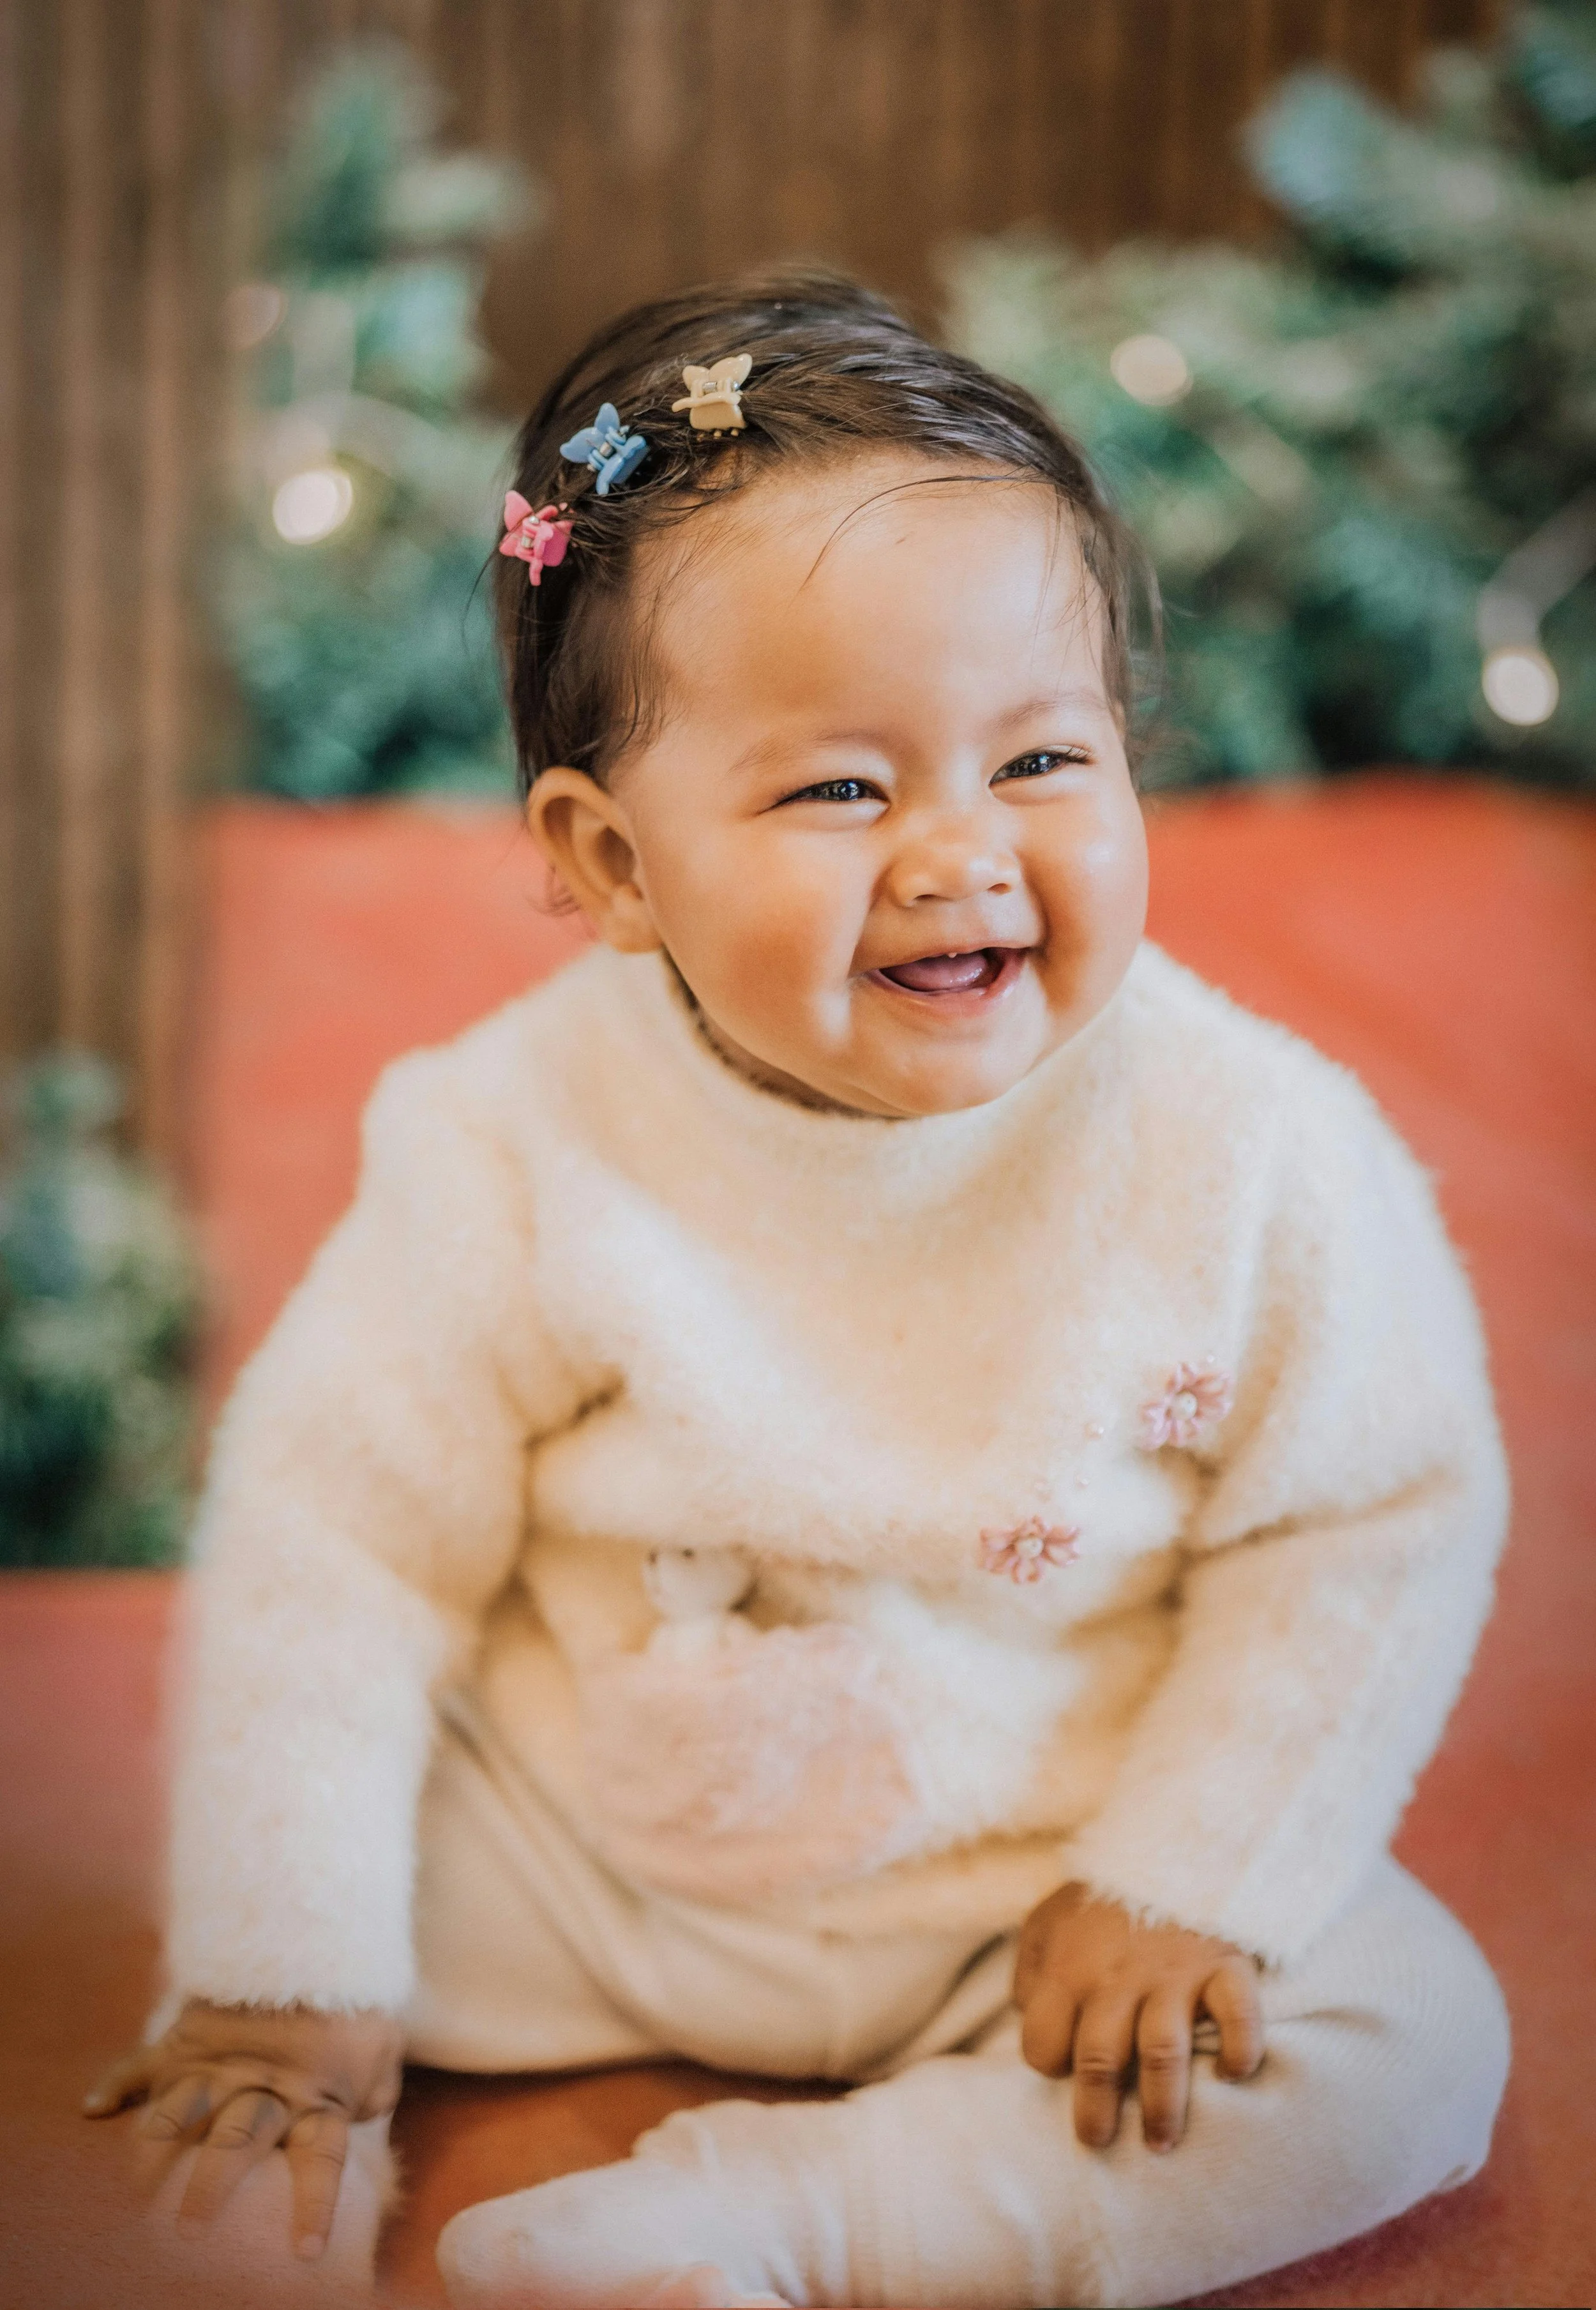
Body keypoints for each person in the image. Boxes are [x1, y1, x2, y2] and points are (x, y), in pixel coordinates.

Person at [87, 271, 1511, 2309]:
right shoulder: (506, 1141)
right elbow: (339, 1545)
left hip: (1035, 1886)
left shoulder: (1252, 1147)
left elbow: (1371, 1520)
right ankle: (279, 2127)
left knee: (1409, 2037)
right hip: (588, 1861)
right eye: (841, 788)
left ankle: (806, 2215)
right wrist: (283, 1979)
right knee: (307, 1883)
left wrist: (1187, 1880)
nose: (958, 855)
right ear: (611, 864)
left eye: (1040, 757)